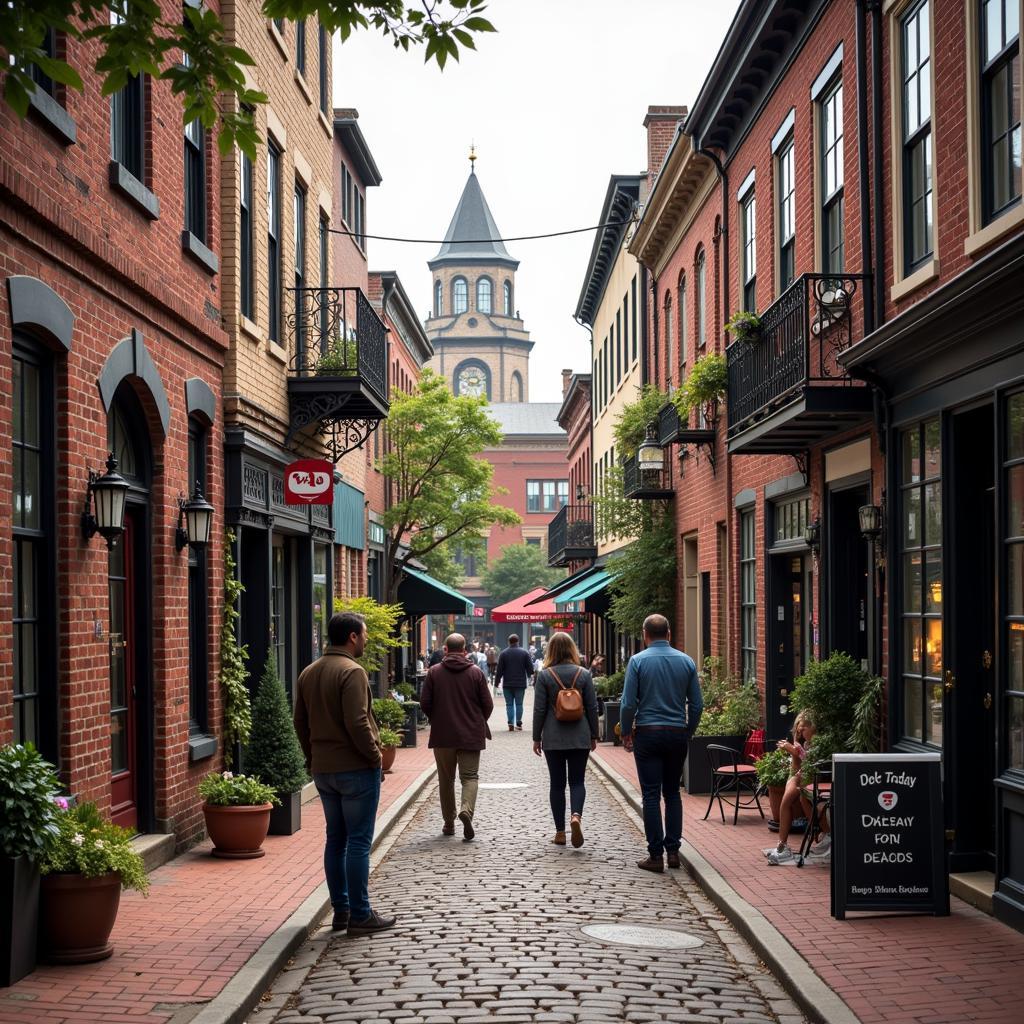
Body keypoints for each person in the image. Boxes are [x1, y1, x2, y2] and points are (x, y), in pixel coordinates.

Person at [293, 612, 396, 935]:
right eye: (363, 634)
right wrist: (374, 757)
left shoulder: (309, 672)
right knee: (358, 842)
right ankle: (360, 914)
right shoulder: (352, 672)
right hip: (354, 769)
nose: (365, 639)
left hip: (324, 769)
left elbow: (300, 722)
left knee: (335, 840)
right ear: (352, 637)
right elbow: (358, 721)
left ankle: (341, 910)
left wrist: (313, 757)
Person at [619, 613, 703, 873]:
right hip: (676, 733)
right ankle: (674, 852)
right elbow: (697, 705)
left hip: (649, 732)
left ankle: (655, 855)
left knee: (651, 795)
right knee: (672, 793)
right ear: (668, 634)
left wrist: (625, 731)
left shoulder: (637, 662)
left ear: (645, 635)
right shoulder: (687, 662)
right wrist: (688, 730)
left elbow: (628, 703)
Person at [419, 633, 494, 841]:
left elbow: (425, 702)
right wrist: (476, 720)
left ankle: (449, 823)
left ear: (445, 649)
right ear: (465, 650)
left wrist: (437, 718)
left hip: (443, 735)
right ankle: (466, 811)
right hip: (470, 735)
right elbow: (488, 704)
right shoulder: (476, 673)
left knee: (446, 779)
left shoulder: (434, 672)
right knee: (470, 777)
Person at [532, 632, 600, 848]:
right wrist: (594, 735)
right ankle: (576, 816)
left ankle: (560, 832)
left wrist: (536, 737)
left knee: (557, 784)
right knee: (578, 781)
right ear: (572, 649)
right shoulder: (583, 674)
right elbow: (592, 706)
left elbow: (539, 709)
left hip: (553, 736)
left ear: (550, 651)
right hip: (580, 734)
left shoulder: (544, 676)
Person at [765, 710, 830, 864]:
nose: (801, 733)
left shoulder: (818, 742)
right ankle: (823, 834)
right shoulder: (806, 743)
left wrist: (793, 750)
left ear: (813, 727)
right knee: (800, 801)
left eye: (803, 729)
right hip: (803, 776)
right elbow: (801, 762)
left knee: (787, 801)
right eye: (798, 730)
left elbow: (810, 762)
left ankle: (783, 846)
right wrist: (794, 744)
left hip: (811, 778)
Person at [495, 634, 534, 731]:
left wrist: (496, 683)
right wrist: (531, 677)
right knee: (519, 704)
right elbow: (530, 669)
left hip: (507, 684)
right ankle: (519, 723)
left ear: (509, 642)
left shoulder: (503, 654)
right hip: (520, 684)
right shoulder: (524, 653)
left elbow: (499, 670)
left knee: (509, 704)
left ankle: (510, 723)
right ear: (518, 641)